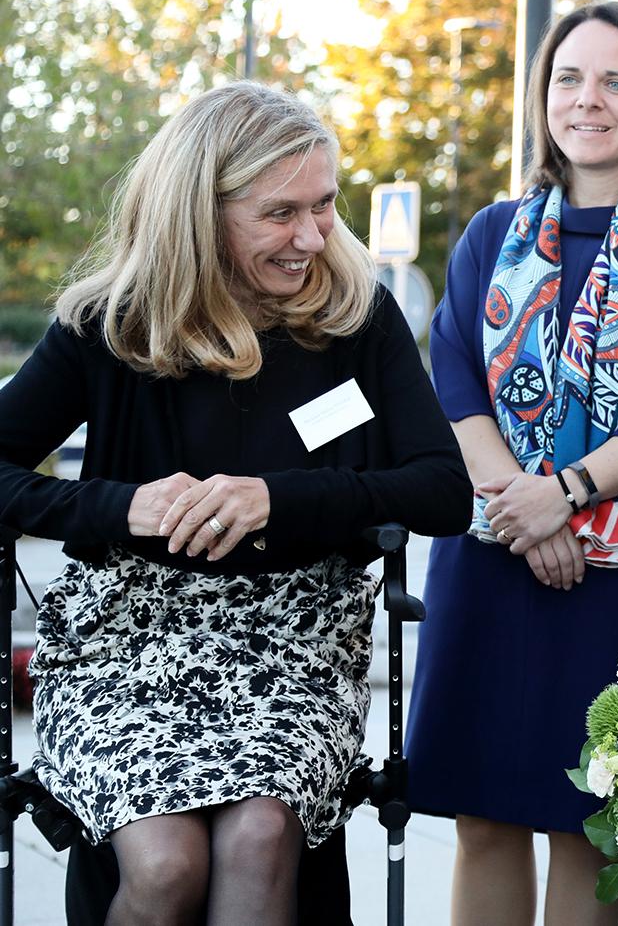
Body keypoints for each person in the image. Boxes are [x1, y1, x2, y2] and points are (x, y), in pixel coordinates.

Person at [0, 81, 471, 925]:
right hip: (128, 639)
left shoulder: (358, 316)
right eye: (280, 213)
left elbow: (442, 489)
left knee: (260, 837)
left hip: (295, 637)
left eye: (324, 205)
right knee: (167, 863)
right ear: (200, 213)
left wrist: (277, 501)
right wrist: (121, 508)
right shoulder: (109, 327)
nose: (313, 235)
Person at [404, 1, 618, 926]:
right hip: (490, 552)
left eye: (617, 81)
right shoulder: (490, 232)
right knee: (483, 813)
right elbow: (454, 374)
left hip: (612, 568)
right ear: (543, 99)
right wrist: (520, 505)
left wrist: (568, 497)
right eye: (570, 79)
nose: (590, 100)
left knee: (590, 816)